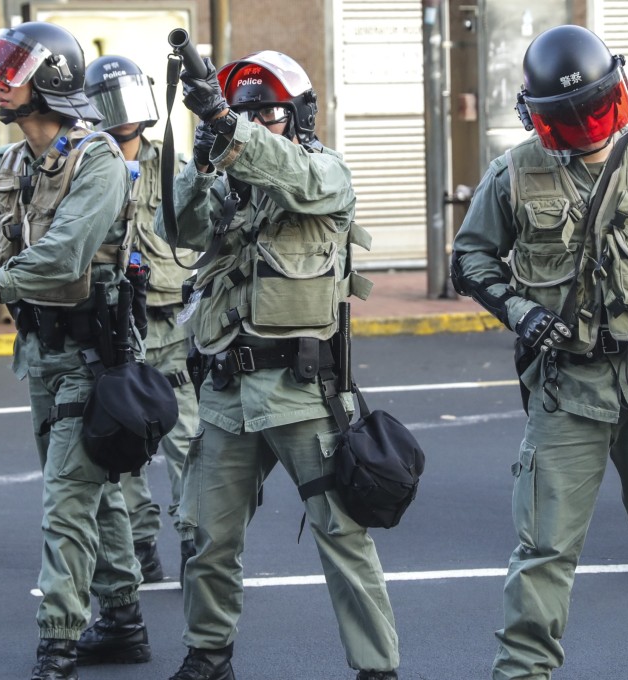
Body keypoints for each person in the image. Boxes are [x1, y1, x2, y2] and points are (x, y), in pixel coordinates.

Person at [451, 25, 628, 680]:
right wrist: (522, 313)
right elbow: (471, 258)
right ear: (543, 119)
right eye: (572, 118)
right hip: (569, 391)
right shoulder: (515, 172)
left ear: (617, 95)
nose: (588, 126)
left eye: (596, 109)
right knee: (543, 555)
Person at [0, 22, 151, 679]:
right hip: (39, 352)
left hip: (93, 354)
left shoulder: (97, 158)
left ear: (52, 83)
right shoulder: (11, 165)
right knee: (90, 485)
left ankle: (58, 642)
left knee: (67, 496)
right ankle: (124, 621)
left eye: (12, 74)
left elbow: (67, 250)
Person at [156, 50, 398, 680]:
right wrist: (204, 155)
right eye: (244, 111)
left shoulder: (325, 171)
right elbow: (175, 228)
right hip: (228, 390)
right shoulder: (224, 181)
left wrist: (227, 125)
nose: (255, 122)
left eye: (269, 112)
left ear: (298, 117)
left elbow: (298, 179)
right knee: (208, 535)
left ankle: (378, 670)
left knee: (341, 536)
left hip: (300, 390)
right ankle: (208, 655)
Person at [83, 54, 200, 583]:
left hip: (170, 322)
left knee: (187, 442)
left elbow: (204, 231)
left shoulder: (174, 165)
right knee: (122, 441)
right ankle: (138, 545)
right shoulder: (85, 167)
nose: (121, 115)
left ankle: (196, 542)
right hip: (111, 323)